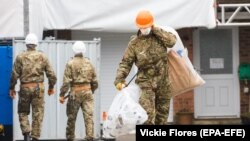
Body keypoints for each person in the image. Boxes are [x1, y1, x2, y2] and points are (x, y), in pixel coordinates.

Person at [114, 10, 176, 125]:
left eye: (147, 26)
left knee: (162, 118)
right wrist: (119, 79)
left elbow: (172, 42)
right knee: (147, 116)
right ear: (138, 27)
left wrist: (156, 29)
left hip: (164, 83)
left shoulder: (160, 37)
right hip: (146, 83)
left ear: (152, 25)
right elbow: (125, 63)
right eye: (142, 27)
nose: (144, 29)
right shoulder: (134, 43)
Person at [9, 33, 57, 141]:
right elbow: (52, 75)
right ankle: (35, 137)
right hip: (38, 89)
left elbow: (14, 74)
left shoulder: (20, 57)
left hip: (25, 88)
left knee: (22, 111)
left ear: (26, 44)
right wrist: (51, 87)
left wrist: (12, 88)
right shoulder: (42, 56)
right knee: (38, 113)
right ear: (36, 44)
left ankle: (26, 133)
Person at [59, 41, 98, 141]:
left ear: (74, 50)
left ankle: (70, 137)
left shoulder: (70, 63)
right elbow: (95, 81)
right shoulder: (89, 63)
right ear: (84, 51)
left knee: (71, 117)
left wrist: (62, 94)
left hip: (75, 94)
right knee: (88, 116)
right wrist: (91, 90)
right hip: (88, 93)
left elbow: (66, 82)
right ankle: (89, 137)